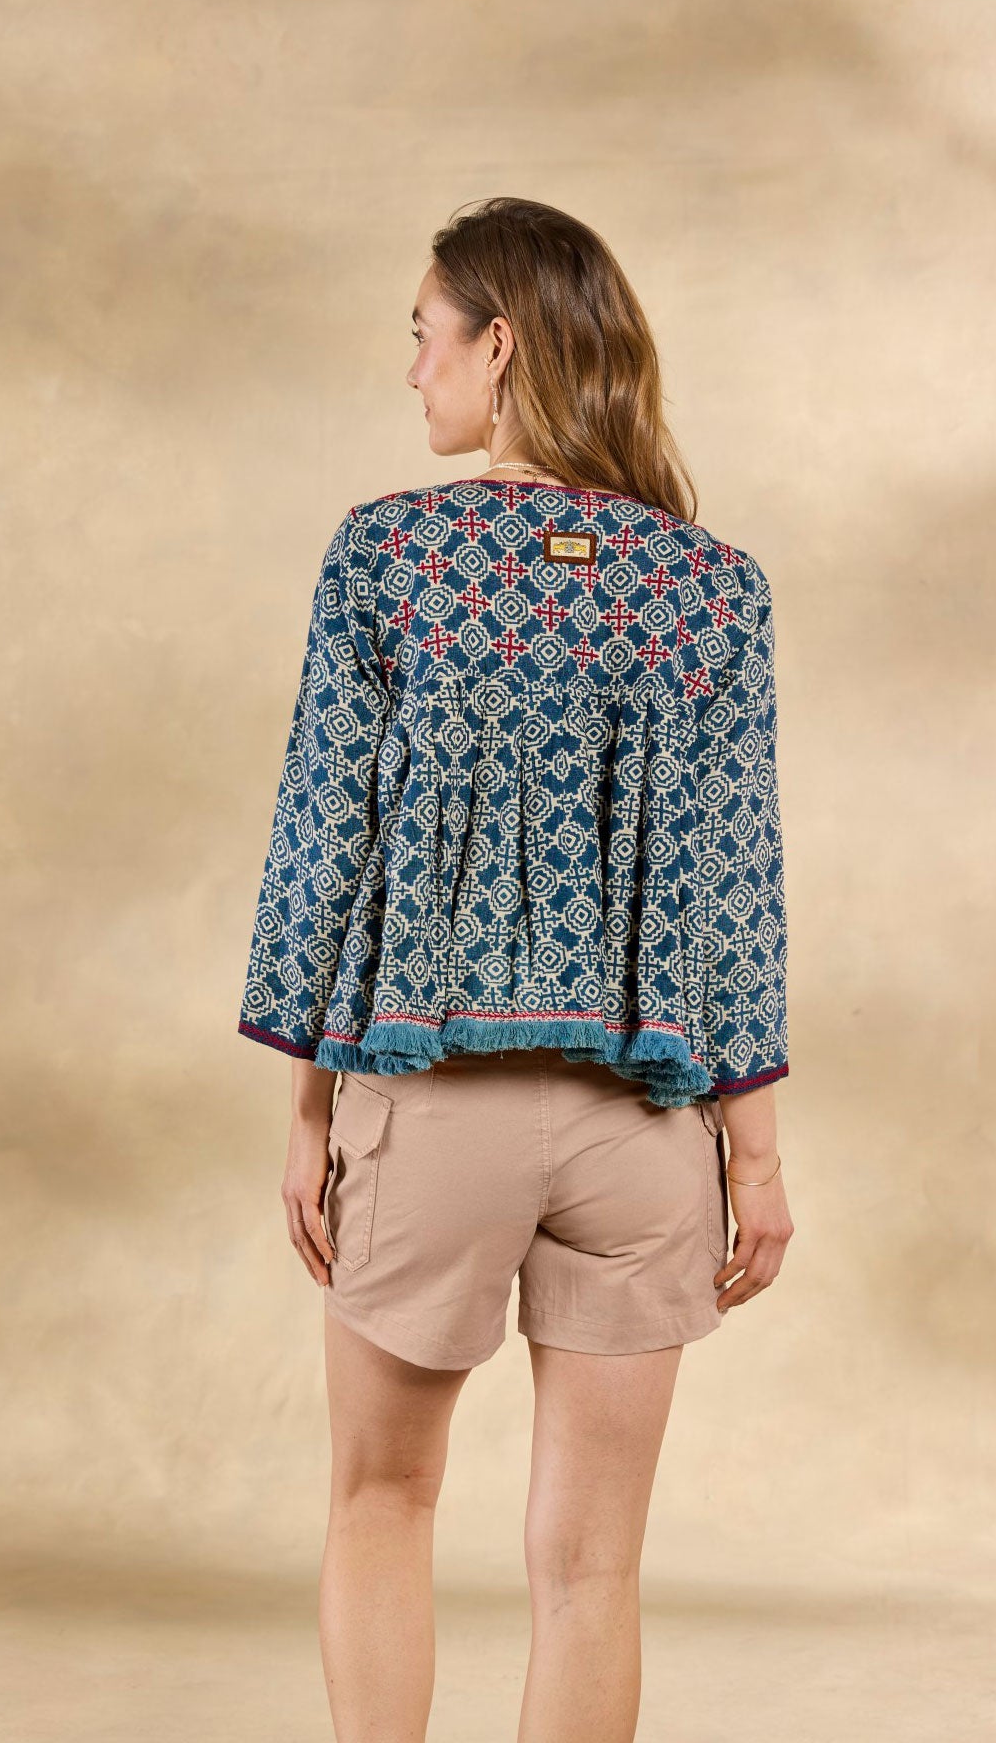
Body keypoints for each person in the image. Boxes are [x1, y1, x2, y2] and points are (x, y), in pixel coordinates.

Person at [236, 195, 795, 1741]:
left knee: (381, 1500)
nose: (412, 370)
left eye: (425, 337)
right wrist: (755, 1157)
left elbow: (323, 842)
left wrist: (310, 1108)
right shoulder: (712, 588)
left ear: (500, 345)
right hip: (646, 1136)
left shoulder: (385, 558)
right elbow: (738, 890)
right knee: (594, 1569)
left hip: (431, 1104)